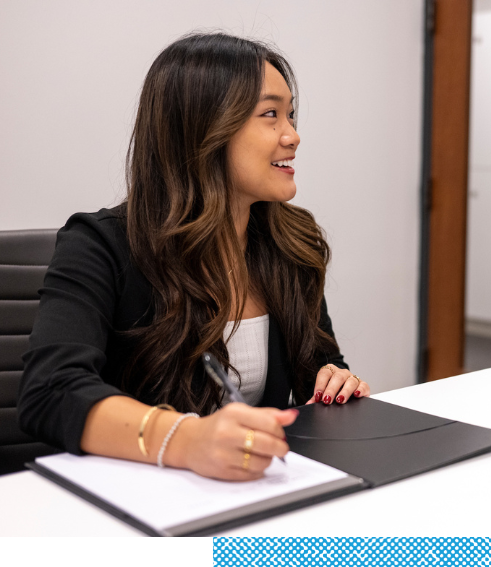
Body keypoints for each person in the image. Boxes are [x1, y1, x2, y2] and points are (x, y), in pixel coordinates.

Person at [18, 33, 370, 481]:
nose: (293, 135)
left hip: (254, 492)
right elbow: (49, 392)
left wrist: (335, 381)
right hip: (140, 503)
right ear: (204, 128)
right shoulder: (99, 245)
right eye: (270, 115)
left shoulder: (291, 245)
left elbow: (318, 366)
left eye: (291, 114)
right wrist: (187, 440)